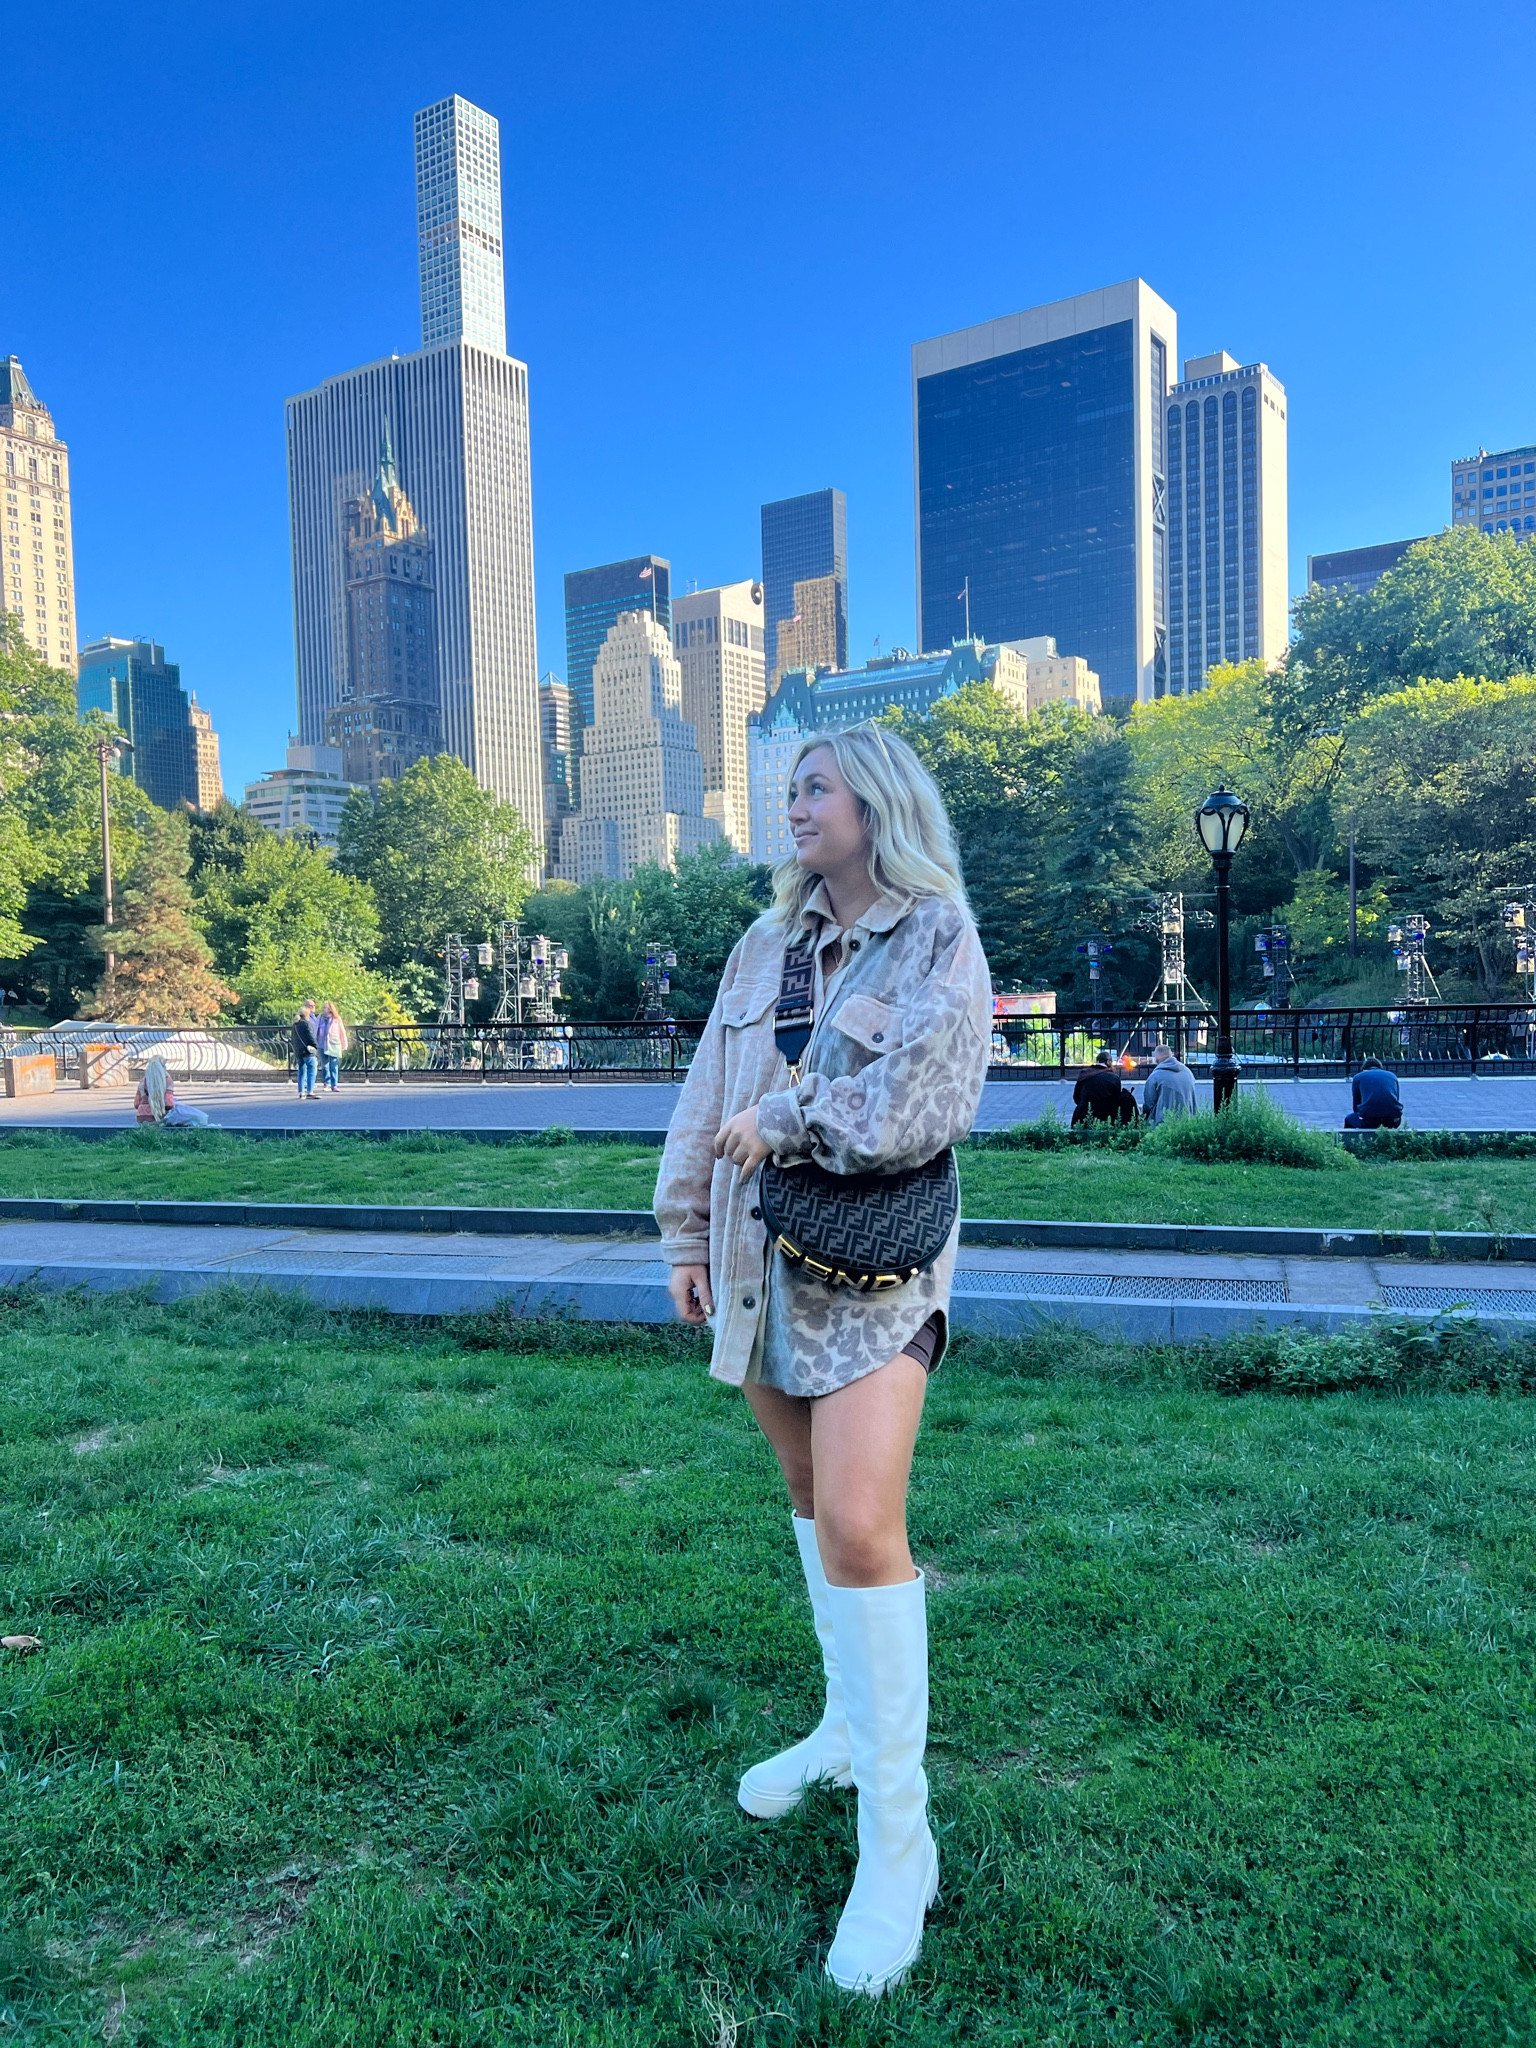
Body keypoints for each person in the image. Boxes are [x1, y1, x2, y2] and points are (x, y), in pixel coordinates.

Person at [655, 723, 992, 1999]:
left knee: (860, 1520)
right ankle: (847, 1727)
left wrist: (785, 1115)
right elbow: (707, 1091)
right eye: (789, 788)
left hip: (880, 1272)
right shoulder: (764, 944)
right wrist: (683, 1228)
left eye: (815, 787)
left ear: (876, 803)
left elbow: (926, 1101)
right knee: (807, 1501)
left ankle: (899, 1844)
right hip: (757, 1255)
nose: (794, 806)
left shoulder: (937, 933)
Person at [134, 1054, 211, 1128]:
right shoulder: (167, 1080)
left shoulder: (142, 1082)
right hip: (160, 1118)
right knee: (197, 1116)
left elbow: (136, 1104)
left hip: (141, 1118)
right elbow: (169, 1104)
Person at [1071, 1048, 1137, 1126]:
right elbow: (1116, 1101)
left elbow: (1076, 1097)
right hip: (1105, 1117)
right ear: (1108, 1062)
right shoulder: (1113, 1078)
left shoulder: (1084, 1074)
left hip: (1082, 1115)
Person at [1140, 1042, 1198, 1124]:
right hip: (1188, 1120)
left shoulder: (1155, 1077)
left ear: (1156, 1059)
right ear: (1171, 1055)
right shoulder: (1187, 1072)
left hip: (1165, 1123)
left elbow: (1149, 1104)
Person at [1346, 1056, 1403, 1129]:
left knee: (1349, 1119)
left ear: (1364, 1069)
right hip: (1393, 1119)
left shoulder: (1358, 1077)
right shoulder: (1392, 1076)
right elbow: (1395, 1098)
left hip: (1369, 1120)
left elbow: (1356, 1105)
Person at [315, 1001, 348, 1092]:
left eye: (325, 1008)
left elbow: (342, 1031)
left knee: (334, 1065)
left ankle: (334, 1085)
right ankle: (326, 1083)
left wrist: (344, 1043)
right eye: (323, 1007)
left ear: (330, 1009)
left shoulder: (336, 1018)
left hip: (334, 1043)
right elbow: (315, 1030)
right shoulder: (320, 1018)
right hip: (322, 1044)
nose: (323, 1009)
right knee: (324, 1065)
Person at [291, 1001, 320, 1101]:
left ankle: (301, 1091)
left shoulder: (295, 1025)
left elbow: (293, 1039)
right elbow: (310, 1037)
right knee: (312, 1069)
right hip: (307, 1051)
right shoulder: (306, 1024)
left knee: (301, 1071)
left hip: (299, 1051)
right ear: (307, 1014)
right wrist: (316, 1046)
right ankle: (310, 1091)